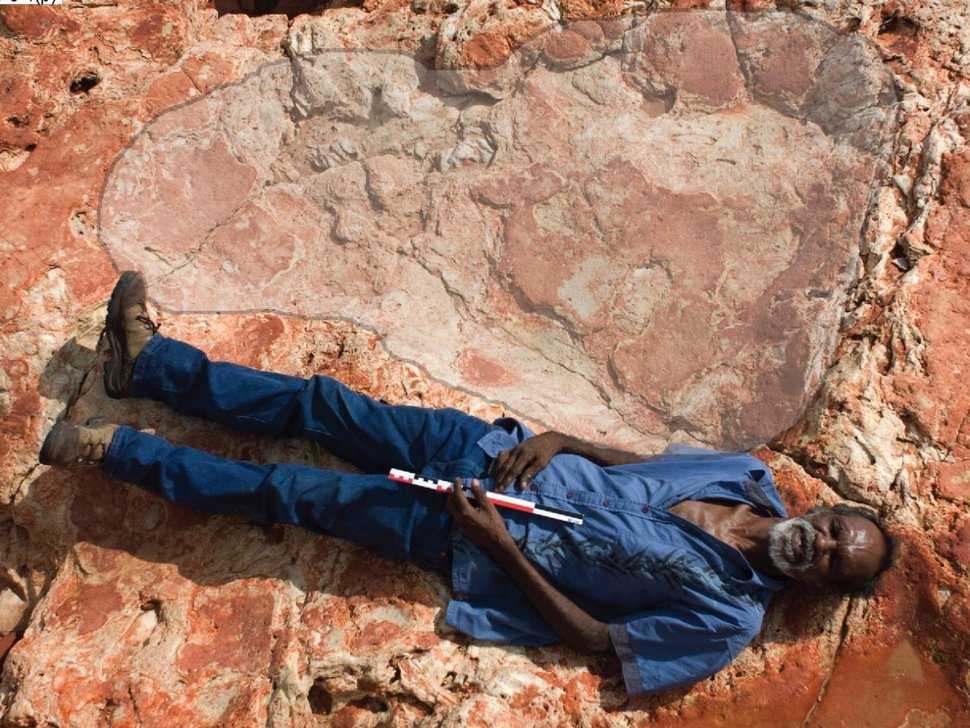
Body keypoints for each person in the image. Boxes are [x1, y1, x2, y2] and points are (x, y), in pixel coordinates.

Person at [39, 272, 894, 695]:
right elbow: (641, 467)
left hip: (467, 530)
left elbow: (601, 642)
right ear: (827, 509)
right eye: (832, 532)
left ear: (820, 586)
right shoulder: (747, 475)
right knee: (319, 403)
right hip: (485, 449)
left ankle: (113, 453)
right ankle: (152, 365)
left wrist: (497, 549)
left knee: (289, 495)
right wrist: (561, 437)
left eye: (831, 564)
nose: (816, 547)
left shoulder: (727, 623)